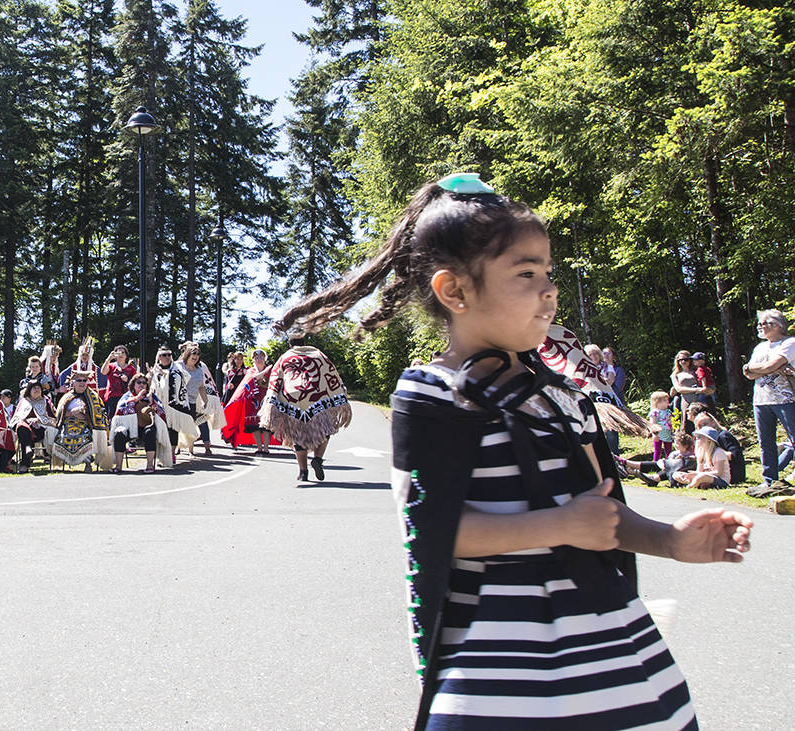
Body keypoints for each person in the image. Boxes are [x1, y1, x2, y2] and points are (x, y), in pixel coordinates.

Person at [274, 172, 751, 728]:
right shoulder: (432, 393)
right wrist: (559, 527)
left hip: (615, 651)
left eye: (548, 272)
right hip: (498, 668)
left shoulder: (562, 396)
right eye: (526, 274)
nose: (548, 290)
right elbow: (433, 529)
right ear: (455, 291)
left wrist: (670, 541)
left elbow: (601, 512)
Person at [258, 335, 352, 482]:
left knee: (297, 436)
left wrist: (271, 400)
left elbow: (276, 379)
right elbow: (332, 374)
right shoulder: (318, 355)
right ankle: (318, 459)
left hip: (293, 400)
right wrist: (340, 394)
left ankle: (303, 472)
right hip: (316, 399)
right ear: (304, 343)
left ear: (290, 345)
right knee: (324, 430)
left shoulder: (284, 357)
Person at [743, 308, 795, 498]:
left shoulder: (789, 343)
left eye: (764, 323)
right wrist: (762, 368)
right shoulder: (760, 348)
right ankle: (770, 482)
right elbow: (748, 373)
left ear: (778, 325)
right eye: (760, 323)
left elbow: (769, 366)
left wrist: (760, 368)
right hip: (761, 400)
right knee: (766, 443)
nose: (760, 326)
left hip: (787, 399)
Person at [110, 372, 173, 473]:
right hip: (129, 428)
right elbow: (119, 411)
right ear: (133, 385)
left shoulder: (152, 396)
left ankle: (149, 466)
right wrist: (136, 399)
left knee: (150, 431)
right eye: (138, 382)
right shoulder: (127, 396)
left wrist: (151, 401)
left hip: (145, 428)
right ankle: (118, 466)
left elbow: (161, 414)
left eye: (144, 383)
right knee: (119, 433)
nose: (141, 384)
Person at [220, 348, 278, 453]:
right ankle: (259, 448)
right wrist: (264, 372)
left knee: (266, 425)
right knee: (254, 425)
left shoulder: (271, 371)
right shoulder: (251, 370)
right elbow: (251, 380)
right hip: (253, 401)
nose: (259, 359)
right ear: (253, 360)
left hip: (266, 399)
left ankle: (266, 448)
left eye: (261, 357)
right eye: (256, 358)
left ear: (265, 359)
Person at [52, 370, 111, 472]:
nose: (82, 383)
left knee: (85, 436)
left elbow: (100, 412)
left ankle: (88, 463)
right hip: (67, 424)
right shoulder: (66, 397)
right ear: (73, 382)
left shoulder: (94, 397)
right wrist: (71, 413)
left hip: (86, 424)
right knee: (63, 435)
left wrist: (84, 413)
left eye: (84, 380)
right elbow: (59, 413)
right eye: (79, 380)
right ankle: (64, 461)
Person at [149, 347, 199, 458]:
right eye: (164, 355)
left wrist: (166, 375)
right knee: (161, 429)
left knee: (173, 429)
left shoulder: (177, 369)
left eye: (169, 355)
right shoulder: (155, 370)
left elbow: (185, 379)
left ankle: (171, 454)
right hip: (160, 405)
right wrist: (152, 376)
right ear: (159, 357)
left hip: (174, 406)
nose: (167, 357)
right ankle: (162, 455)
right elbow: (151, 387)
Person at [9, 381, 56, 473]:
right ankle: (27, 450)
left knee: (24, 433)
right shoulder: (24, 401)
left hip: (41, 429)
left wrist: (39, 420)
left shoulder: (46, 400)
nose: (37, 390)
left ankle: (25, 461)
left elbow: (53, 418)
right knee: (22, 426)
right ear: (29, 390)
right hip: (24, 428)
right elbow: (17, 416)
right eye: (34, 388)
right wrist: (27, 420)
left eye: (38, 388)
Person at [177, 344, 215, 456]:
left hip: (193, 401)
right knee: (178, 427)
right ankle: (175, 449)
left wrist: (205, 401)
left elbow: (201, 387)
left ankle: (190, 450)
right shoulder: (178, 365)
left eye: (198, 354)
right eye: (193, 353)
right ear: (187, 354)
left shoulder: (199, 369)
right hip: (180, 401)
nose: (196, 356)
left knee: (191, 426)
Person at [670, 350, 710, 432]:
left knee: (701, 421)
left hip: (698, 400)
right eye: (681, 360)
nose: (683, 361)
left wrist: (706, 390)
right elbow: (679, 389)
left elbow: (705, 383)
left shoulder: (696, 371)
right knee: (686, 423)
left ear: (690, 360)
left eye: (686, 359)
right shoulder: (675, 374)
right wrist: (696, 390)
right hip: (686, 400)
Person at [100, 344, 137, 418]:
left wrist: (127, 380)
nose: (121, 354)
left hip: (126, 397)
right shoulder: (111, 366)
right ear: (115, 355)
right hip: (112, 397)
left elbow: (135, 382)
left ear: (126, 356)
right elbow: (103, 372)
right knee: (112, 418)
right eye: (118, 353)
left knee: (125, 417)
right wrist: (109, 359)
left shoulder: (131, 369)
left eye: (123, 352)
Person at [648, 391, 674, 460]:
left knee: (668, 450)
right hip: (659, 434)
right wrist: (654, 434)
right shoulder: (655, 412)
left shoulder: (668, 411)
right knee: (658, 450)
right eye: (664, 400)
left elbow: (671, 421)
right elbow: (652, 423)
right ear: (657, 402)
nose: (667, 402)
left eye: (667, 400)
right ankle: (656, 463)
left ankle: (669, 463)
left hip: (667, 433)